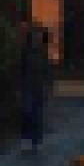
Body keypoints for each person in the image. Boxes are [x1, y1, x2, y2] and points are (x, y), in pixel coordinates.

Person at [16, 22, 52, 153]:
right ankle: (26, 139)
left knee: (37, 115)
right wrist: (19, 88)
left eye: (40, 36)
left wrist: (48, 86)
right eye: (36, 35)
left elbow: (47, 71)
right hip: (28, 86)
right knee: (27, 114)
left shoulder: (42, 53)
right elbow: (20, 70)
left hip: (38, 87)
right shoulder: (25, 52)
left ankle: (36, 140)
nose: (38, 38)